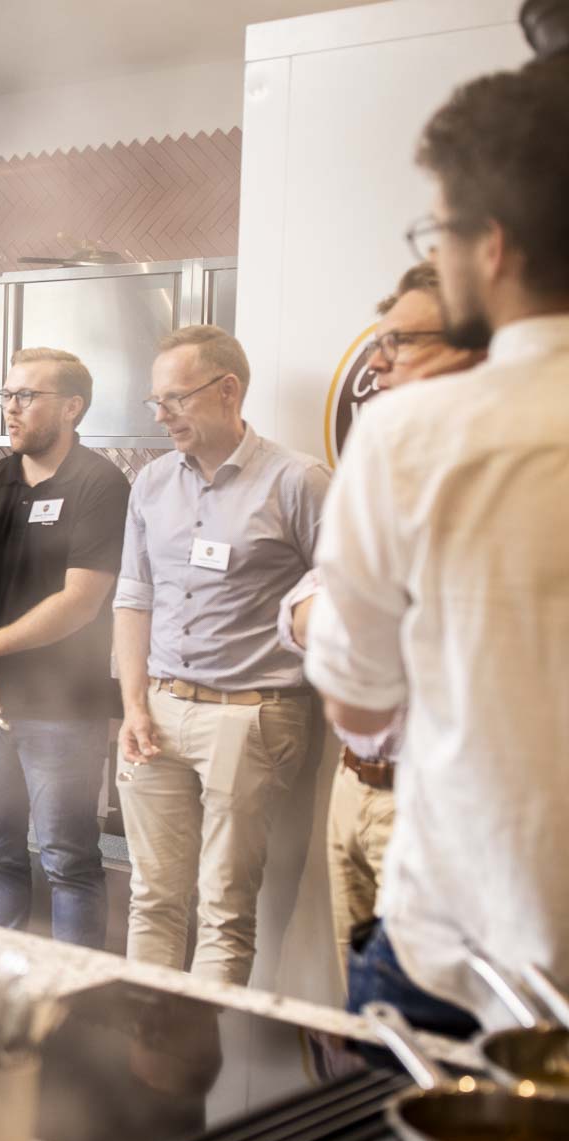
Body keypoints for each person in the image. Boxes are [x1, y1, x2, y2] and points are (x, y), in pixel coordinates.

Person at [307, 60, 569, 1036]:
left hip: (464, 944)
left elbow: (358, 698)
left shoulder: (413, 436)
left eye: (438, 231)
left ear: (491, 245)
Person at [277, 263, 484, 973]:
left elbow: (381, 648)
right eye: (377, 344)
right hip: (353, 785)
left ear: (478, 348)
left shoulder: (504, 475)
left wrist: (342, 620)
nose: (376, 365)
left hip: (439, 805)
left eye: (401, 343)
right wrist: (344, 617)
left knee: (430, 1006)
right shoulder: (391, 467)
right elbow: (299, 608)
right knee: (363, 1003)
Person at [114, 324, 330, 986]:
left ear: (228, 389)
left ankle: (198, 1045)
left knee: (225, 912)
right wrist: (133, 707)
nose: (161, 415)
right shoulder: (152, 482)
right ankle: (147, 1038)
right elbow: (134, 599)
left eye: (175, 399)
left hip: (250, 717)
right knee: (152, 898)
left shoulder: (297, 481)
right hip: (156, 710)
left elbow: (342, 595)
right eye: (155, 401)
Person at [0, 348, 129, 949]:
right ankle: (0, 980)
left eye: (26, 396)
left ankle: (74, 990)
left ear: (72, 407)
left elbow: (81, 600)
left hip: (62, 709)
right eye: (6, 395)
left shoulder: (101, 484)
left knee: (68, 859)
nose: (11, 409)